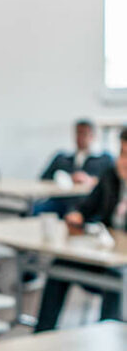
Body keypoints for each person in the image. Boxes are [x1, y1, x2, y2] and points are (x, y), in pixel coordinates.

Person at [34, 128, 127, 332]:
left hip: (120, 268)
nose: (124, 161)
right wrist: (78, 215)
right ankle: (41, 333)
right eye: (122, 153)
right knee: (60, 266)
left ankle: (108, 336)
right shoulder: (111, 176)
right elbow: (86, 207)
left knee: (116, 279)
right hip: (107, 258)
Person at [35, 119, 114, 217]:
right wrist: (66, 178)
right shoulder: (62, 158)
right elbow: (44, 178)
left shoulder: (105, 159)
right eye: (78, 133)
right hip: (61, 201)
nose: (80, 138)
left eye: (84, 134)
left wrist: (91, 180)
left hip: (86, 202)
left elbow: (113, 182)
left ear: (93, 136)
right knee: (35, 209)